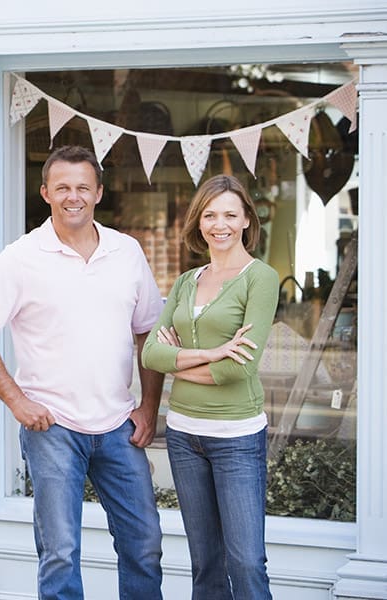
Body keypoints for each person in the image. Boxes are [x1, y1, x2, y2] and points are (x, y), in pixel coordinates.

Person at [0, 145, 165, 600]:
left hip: (118, 426)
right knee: (60, 551)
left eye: (82, 188)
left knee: (145, 544)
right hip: (52, 428)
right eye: (63, 188)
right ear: (45, 193)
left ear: (98, 193)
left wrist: (148, 407)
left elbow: (148, 335)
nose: (73, 197)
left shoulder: (126, 251)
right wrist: (18, 401)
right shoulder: (20, 257)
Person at [141, 174, 279, 600]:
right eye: (210, 214)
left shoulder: (261, 278)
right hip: (183, 435)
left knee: (246, 562)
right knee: (205, 563)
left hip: (236, 437)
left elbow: (239, 370)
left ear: (245, 221)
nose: (219, 224)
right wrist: (214, 353)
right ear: (199, 221)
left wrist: (179, 363)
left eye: (230, 215)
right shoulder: (186, 281)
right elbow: (150, 355)